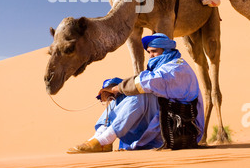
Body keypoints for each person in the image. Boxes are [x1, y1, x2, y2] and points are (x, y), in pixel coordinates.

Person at [67, 33, 204, 154]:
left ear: (166, 50)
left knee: (140, 92)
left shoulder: (177, 67)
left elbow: (148, 82)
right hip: (164, 118)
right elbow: (145, 81)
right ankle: (100, 136)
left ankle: (105, 140)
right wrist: (115, 89)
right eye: (149, 52)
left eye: (154, 51)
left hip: (183, 126)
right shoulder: (164, 67)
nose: (150, 56)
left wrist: (119, 88)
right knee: (123, 93)